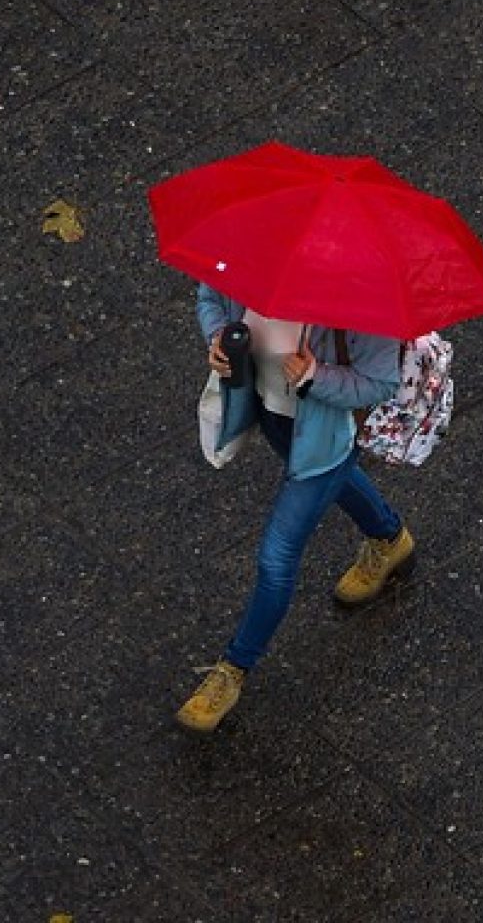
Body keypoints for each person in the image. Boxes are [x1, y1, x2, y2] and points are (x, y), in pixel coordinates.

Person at [176, 283, 415, 734]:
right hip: (272, 415)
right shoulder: (253, 249)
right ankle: (389, 539)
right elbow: (210, 297)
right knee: (334, 478)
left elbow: (381, 381)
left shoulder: (362, 294)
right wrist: (219, 335)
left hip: (324, 430)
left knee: (276, 557)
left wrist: (314, 376)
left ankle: (233, 668)